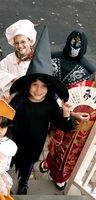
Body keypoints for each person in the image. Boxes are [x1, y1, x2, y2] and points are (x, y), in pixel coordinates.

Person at [9, 26, 75, 195]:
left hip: (36, 141)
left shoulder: (50, 105)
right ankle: (2, 177)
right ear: (28, 85)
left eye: (43, 86)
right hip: (16, 138)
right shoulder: (19, 100)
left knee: (29, 163)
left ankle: (24, 182)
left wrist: (66, 114)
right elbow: (7, 119)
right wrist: (6, 109)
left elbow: (64, 126)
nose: (38, 90)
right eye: (34, 85)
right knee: (9, 159)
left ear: (49, 88)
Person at [39, 30, 96, 190]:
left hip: (81, 130)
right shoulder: (84, 86)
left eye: (78, 45)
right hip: (58, 107)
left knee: (70, 155)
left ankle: (59, 175)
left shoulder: (87, 70)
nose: (74, 48)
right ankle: (48, 161)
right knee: (56, 144)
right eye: (72, 43)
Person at [0, 19, 37, 100]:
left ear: (30, 41)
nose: (20, 46)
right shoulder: (9, 59)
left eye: (23, 42)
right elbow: (1, 73)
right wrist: (13, 79)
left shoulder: (37, 60)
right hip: (11, 95)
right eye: (16, 43)